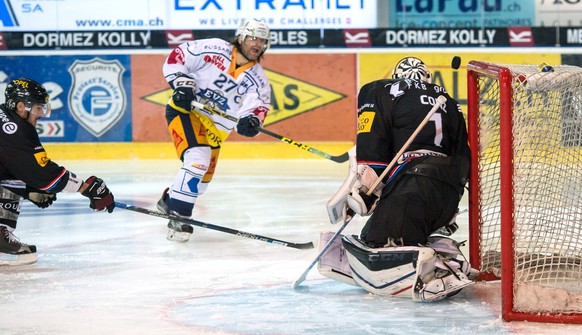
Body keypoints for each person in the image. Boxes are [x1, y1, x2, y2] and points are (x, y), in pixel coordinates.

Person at [321, 57, 475, 301]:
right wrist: (450, 208)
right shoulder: (451, 104)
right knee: (399, 230)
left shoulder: (384, 89)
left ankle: (435, 270)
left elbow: (373, 146)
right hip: (448, 191)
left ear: (397, 76)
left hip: (414, 187)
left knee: (377, 241)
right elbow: (464, 157)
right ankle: (442, 252)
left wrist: (363, 192)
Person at [158, 19, 271, 242]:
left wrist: (251, 121)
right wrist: (181, 83)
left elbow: (258, 107)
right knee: (197, 160)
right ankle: (179, 218)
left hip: (215, 132)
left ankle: (169, 200)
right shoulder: (215, 48)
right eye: (253, 37)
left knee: (200, 185)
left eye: (262, 40)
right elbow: (178, 57)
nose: (257, 43)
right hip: (187, 112)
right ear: (241, 37)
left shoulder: (259, 80)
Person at [0, 77, 115, 266]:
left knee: (14, 179)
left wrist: (29, 190)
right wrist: (86, 188)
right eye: (38, 108)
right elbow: (42, 172)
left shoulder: (6, 116)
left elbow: (15, 169)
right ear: (21, 106)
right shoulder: (14, 131)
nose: (42, 113)